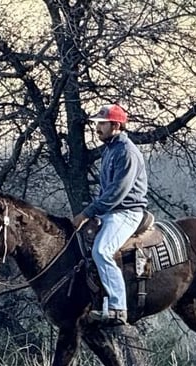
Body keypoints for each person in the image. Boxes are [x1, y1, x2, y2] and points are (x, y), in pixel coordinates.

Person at [72, 103, 149, 325]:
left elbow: (117, 193)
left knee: (102, 251)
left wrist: (88, 212)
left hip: (127, 212)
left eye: (102, 124)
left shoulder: (126, 152)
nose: (97, 128)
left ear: (116, 125)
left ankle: (117, 307)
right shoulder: (110, 150)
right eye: (97, 123)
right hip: (111, 212)